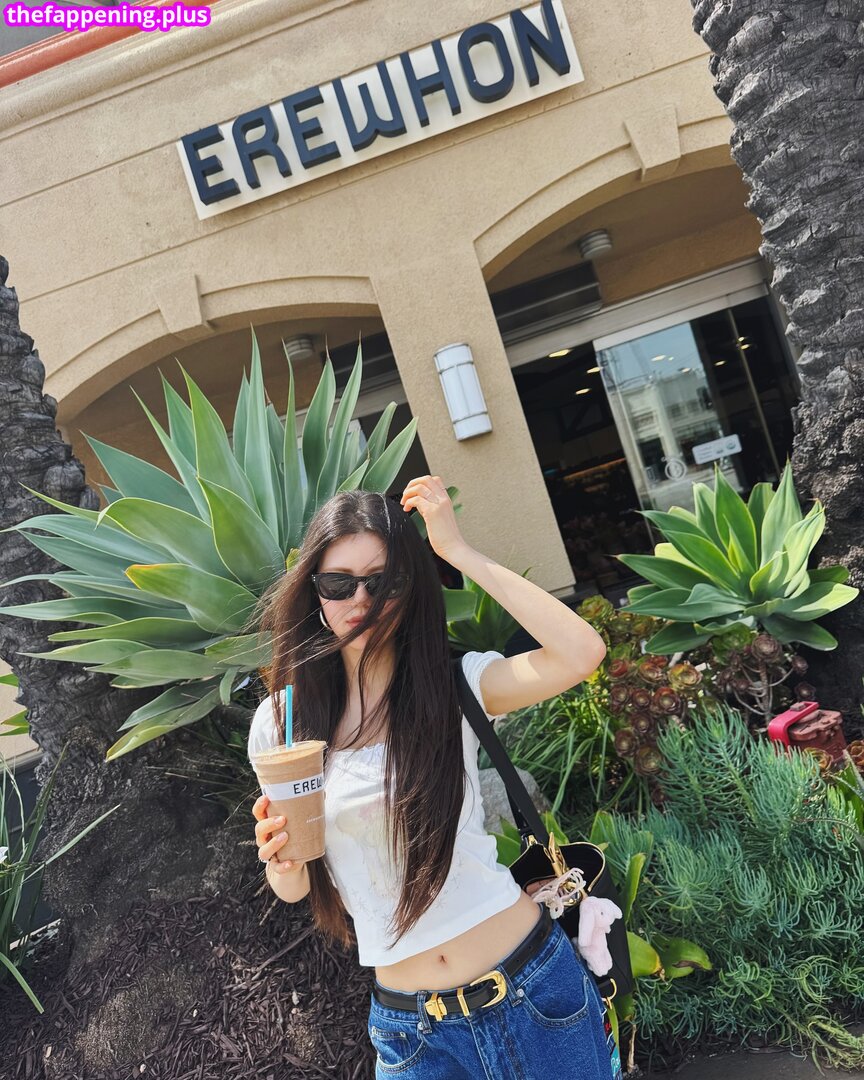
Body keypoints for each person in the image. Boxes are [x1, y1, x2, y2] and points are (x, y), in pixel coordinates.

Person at [248, 475, 618, 1079]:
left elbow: (581, 653)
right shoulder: (282, 724)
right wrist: (281, 862)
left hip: (532, 992)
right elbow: (293, 888)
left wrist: (457, 551)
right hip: (412, 1032)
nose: (361, 601)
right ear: (314, 591)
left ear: (410, 589)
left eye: (384, 582)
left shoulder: (454, 687)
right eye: (339, 584)